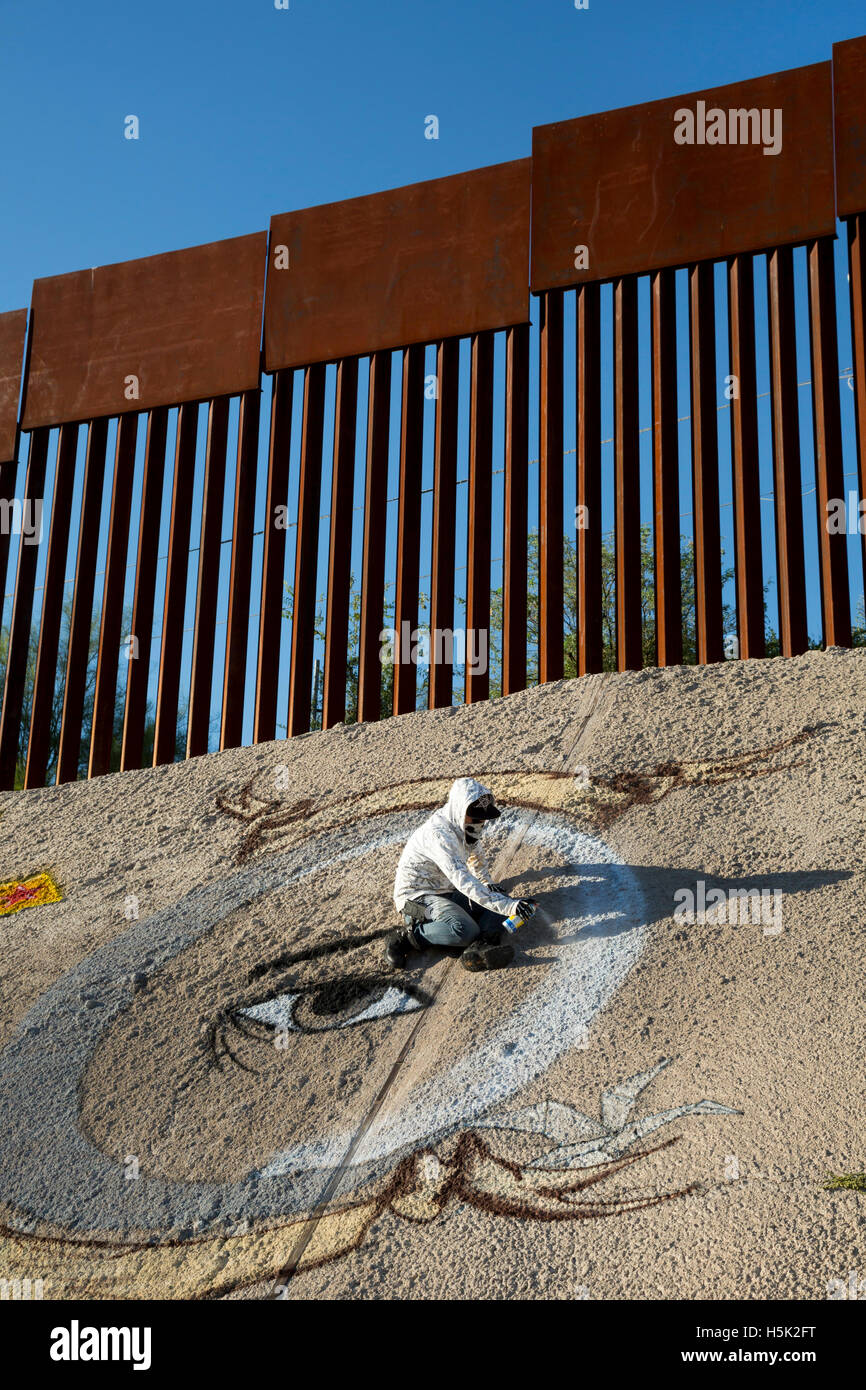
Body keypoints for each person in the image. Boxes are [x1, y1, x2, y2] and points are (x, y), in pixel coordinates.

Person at [386, 777, 536, 972]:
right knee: (464, 930)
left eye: (482, 818)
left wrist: (487, 884)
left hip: (445, 891)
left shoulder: (463, 826)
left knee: (496, 901)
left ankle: (478, 949)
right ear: (459, 810)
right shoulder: (440, 836)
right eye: (475, 817)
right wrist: (509, 906)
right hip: (416, 900)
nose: (480, 822)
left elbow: (476, 860)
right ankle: (408, 937)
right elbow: (463, 880)